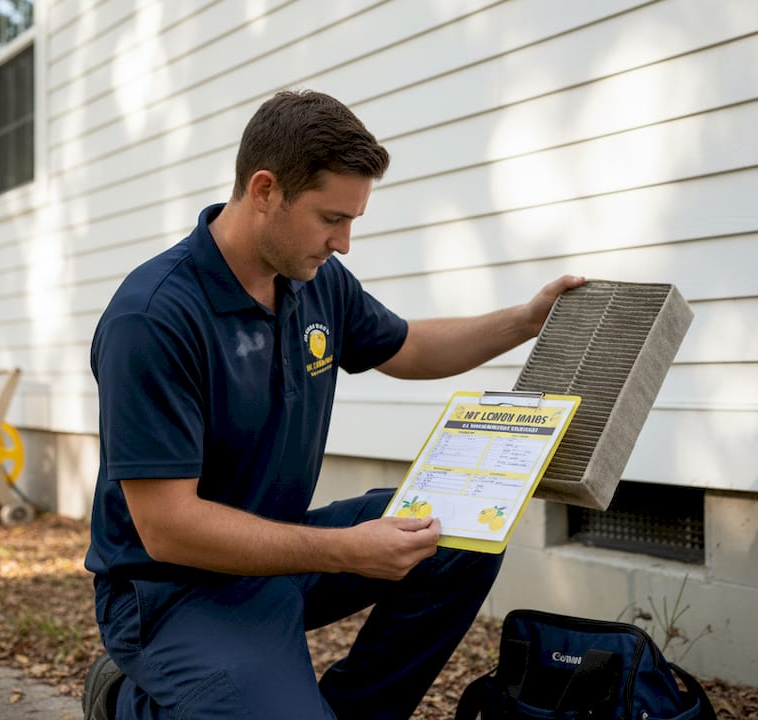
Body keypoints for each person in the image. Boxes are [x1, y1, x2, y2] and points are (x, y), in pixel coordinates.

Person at [83, 89, 584, 720]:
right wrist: (348, 549)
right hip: (174, 590)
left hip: (282, 555)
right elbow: (168, 526)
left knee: (460, 532)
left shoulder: (313, 280)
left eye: (352, 221)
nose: (344, 242)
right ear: (264, 189)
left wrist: (526, 319)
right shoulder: (154, 317)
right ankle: (126, 701)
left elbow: (410, 347)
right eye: (330, 219)